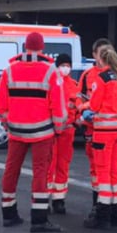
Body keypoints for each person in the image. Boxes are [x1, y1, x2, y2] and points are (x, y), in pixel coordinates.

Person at [0, 32, 68, 232]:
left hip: (16, 130)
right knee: (40, 172)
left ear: (25, 47)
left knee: (11, 169)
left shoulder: (9, 70)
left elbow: (1, 103)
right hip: (42, 131)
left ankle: (8, 213)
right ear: (42, 47)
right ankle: (39, 218)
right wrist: (59, 127)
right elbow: (58, 105)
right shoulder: (50, 71)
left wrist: (6, 123)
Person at [83, 46, 117, 229]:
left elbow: (95, 104)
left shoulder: (101, 78)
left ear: (101, 60)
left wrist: (84, 110)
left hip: (104, 132)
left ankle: (102, 216)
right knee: (116, 171)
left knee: (103, 172)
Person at [48, 52, 82, 214]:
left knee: (63, 165)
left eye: (68, 66)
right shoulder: (51, 82)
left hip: (68, 130)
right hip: (53, 131)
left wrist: (79, 119)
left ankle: (58, 200)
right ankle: (44, 199)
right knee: (49, 165)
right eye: (63, 65)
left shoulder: (74, 85)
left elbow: (78, 105)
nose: (65, 68)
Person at [80, 37, 112, 205]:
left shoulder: (116, 74)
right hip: (92, 128)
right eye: (102, 53)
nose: (104, 56)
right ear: (94, 55)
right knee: (96, 167)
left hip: (110, 129)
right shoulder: (87, 75)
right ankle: (97, 203)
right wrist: (84, 109)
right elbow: (79, 97)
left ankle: (114, 206)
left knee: (113, 167)